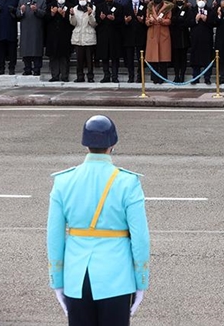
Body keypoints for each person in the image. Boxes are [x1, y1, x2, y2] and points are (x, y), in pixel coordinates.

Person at [47, 115, 150, 325]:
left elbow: (54, 237)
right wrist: (141, 281)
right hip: (117, 278)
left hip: (76, 278)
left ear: (85, 144)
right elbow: (140, 239)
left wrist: (57, 281)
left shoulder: (63, 181)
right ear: (113, 144)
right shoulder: (128, 182)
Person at [18, 0, 47, 76]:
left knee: (36, 49)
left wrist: (36, 10)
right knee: (26, 50)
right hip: (26, 29)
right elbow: (17, 15)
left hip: (36, 29)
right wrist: (21, 11)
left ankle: (37, 69)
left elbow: (44, 14)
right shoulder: (22, 1)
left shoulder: (41, 1)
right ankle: (27, 68)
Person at [145, 0, 173, 83]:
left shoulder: (167, 7)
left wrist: (163, 21)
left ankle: (163, 77)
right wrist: (150, 21)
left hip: (163, 32)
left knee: (163, 57)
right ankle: (154, 78)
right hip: (152, 32)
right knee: (153, 57)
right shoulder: (149, 7)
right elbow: (146, 20)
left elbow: (169, 20)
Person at [69, 0, 97, 82]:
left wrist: (90, 14)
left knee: (89, 59)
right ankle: (80, 76)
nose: (82, 1)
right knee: (79, 59)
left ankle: (90, 77)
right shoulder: (75, 8)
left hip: (89, 36)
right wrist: (72, 15)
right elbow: (73, 23)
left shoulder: (93, 8)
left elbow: (94, 24)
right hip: (78, 37)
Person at [0, 0, 20, 75]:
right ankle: (1, 67)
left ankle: (12, 67)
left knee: (12, 49)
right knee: (0, 49)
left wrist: (14, 10)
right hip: (0, 27)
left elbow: (19, 11)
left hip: (11, 25)